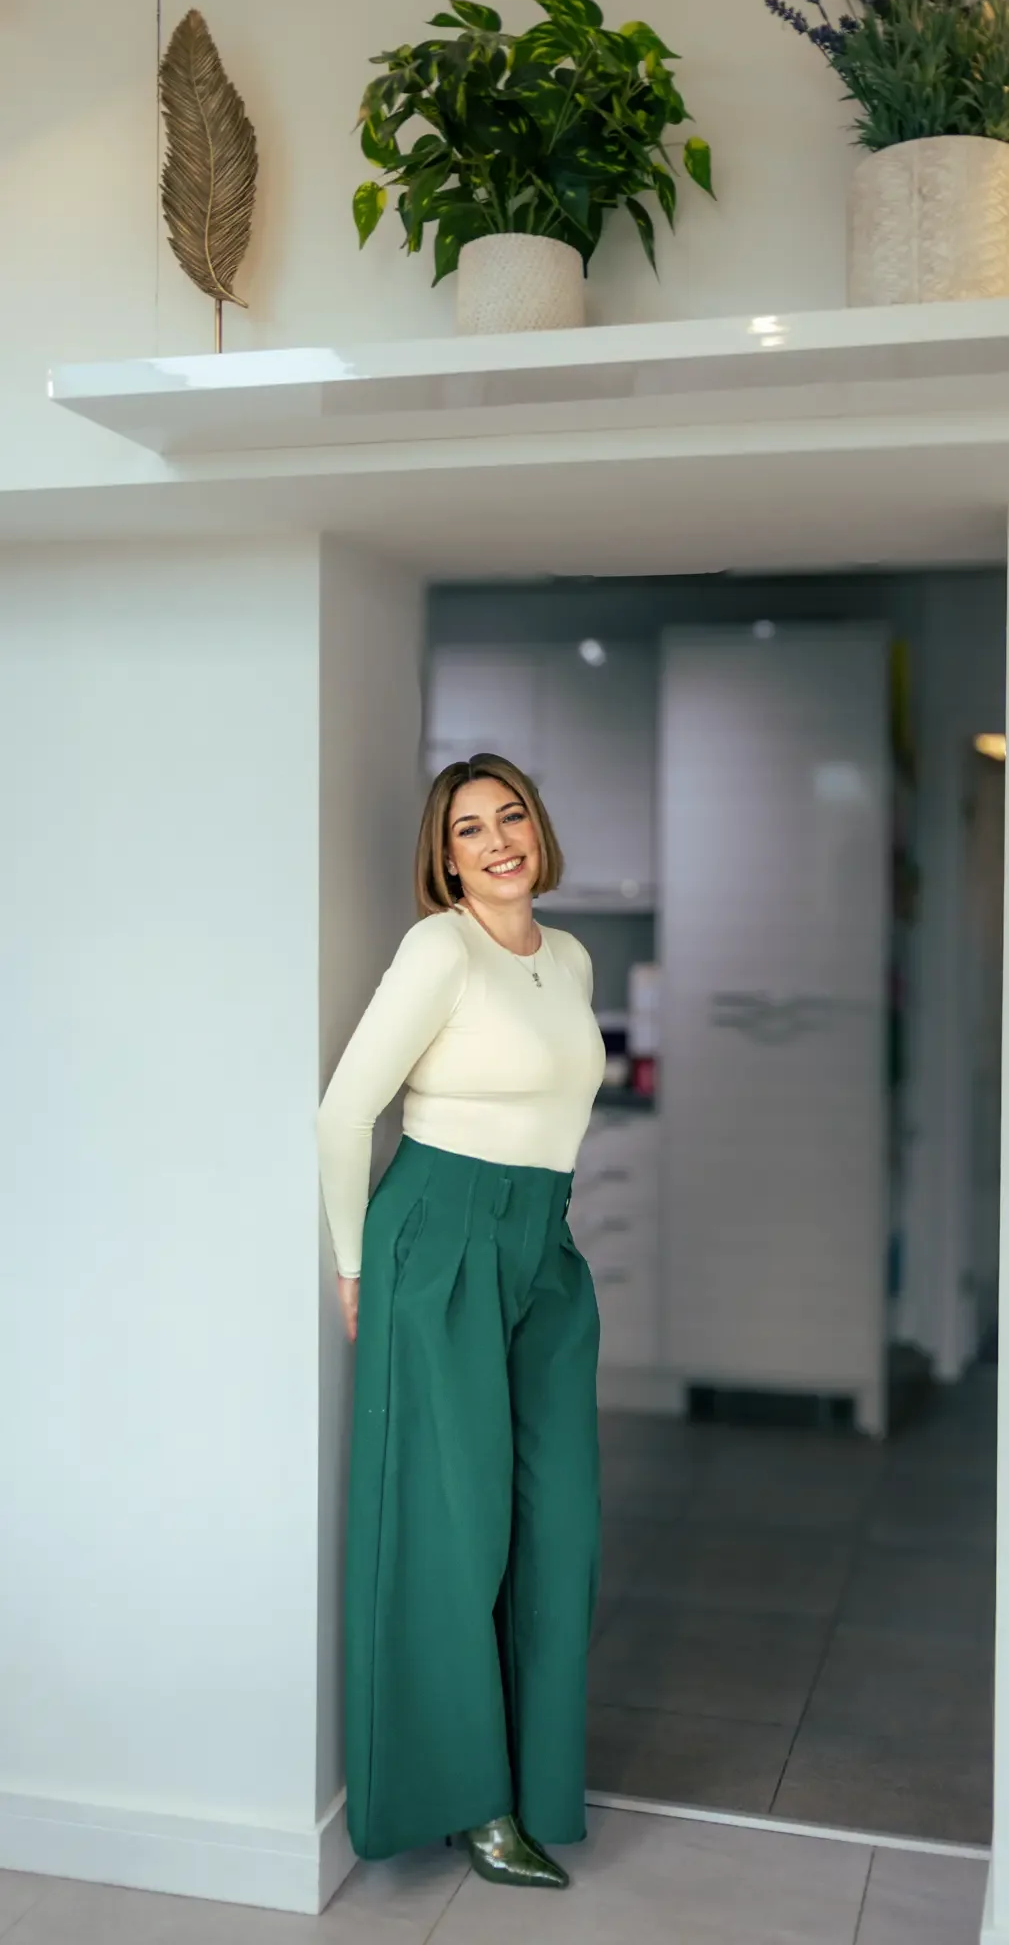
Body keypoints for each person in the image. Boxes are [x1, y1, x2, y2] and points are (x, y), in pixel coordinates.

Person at [317, 753, 606, 1888]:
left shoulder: (572, 956)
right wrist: (354, 1264)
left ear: (538, 827)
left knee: (560, 1522)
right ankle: (467, 1799)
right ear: (444, 858)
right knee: (452, 1526)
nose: (496, 841)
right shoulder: (440, 948)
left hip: (544, 1242)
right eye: (469, 829)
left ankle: (534, 1781)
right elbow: (345, 1112)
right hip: (439, 1234)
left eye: (512, 816)